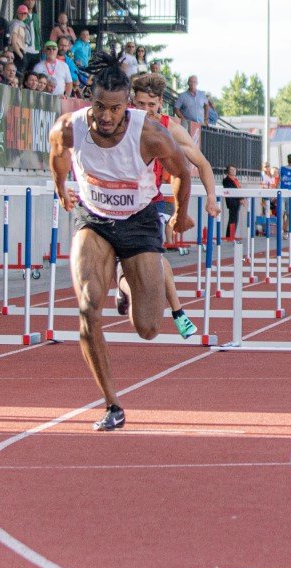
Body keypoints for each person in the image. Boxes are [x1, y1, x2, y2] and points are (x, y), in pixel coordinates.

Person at [48, 56, 192, 431]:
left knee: (148, 328)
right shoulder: (70, 128)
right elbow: (57, 155)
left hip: (139, 221)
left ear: (127, 104)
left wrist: (180, 213)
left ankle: (125, 282)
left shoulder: (149, 134)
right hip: (94, 219)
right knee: (87, 308)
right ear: (89, 100)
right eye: (100, 106)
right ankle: (112, 404)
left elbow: (181, 170)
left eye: (115, 108)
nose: (107, 116)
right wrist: (61, 188)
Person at [126, 71, 223, 338]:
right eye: (140, 104)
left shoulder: (169, 128)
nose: (145, 110)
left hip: (150, 202)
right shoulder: (122, 122)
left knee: (155, 260)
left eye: (151, 104)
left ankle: (178, 312)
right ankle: (128, 293)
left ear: (160, 103)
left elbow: (201, 163)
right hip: (116, 202)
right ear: (132, 102)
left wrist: (211, 197)